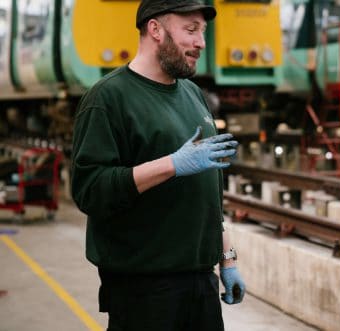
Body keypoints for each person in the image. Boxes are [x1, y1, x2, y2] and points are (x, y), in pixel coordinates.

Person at [70, 1, 245, 330]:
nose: (201, 43)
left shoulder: (194, 95)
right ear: (155, 29)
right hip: (143, 292)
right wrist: (171, 165)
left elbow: (209, 195)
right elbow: (90, 190)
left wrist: (227, 259)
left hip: (201, 285)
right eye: (190, 30)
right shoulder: (108, 99)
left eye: (202, 32)